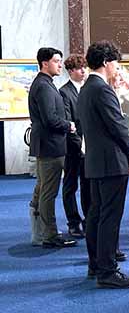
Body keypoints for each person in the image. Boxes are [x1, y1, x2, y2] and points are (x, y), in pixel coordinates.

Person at [78, 40, 129, 289]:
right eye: (116, 62)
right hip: (111, 162)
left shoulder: (86, 88)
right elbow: (118, 127)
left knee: (96, 215)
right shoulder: (102, 90)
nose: (117, 68)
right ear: (106, 62)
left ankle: (96, 264)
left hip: (95, 161)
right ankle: (107, 270)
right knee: (109, 217)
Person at [28, 47, 77, 248]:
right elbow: (50, 119)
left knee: (43, 189)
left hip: (49, 144)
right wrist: (69, 125)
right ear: (45, 63)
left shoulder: (45, 84)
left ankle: (41, 232)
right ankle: (49, 235)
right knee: (49, 191)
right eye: (56, 61)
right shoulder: (44, 86)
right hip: (50, 145)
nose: (59, 65)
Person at [59, 55, 88, 239]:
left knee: (87, 185)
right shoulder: (64, 92)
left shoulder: (87, 90)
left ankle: (87, 219)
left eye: (84, 67)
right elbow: (69, 123)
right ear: (70, 71)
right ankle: (73, 222)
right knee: (70, 186)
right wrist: (80, 146)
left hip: (88, 146)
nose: (83, 70)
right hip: (72, 147)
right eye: (79, 68)